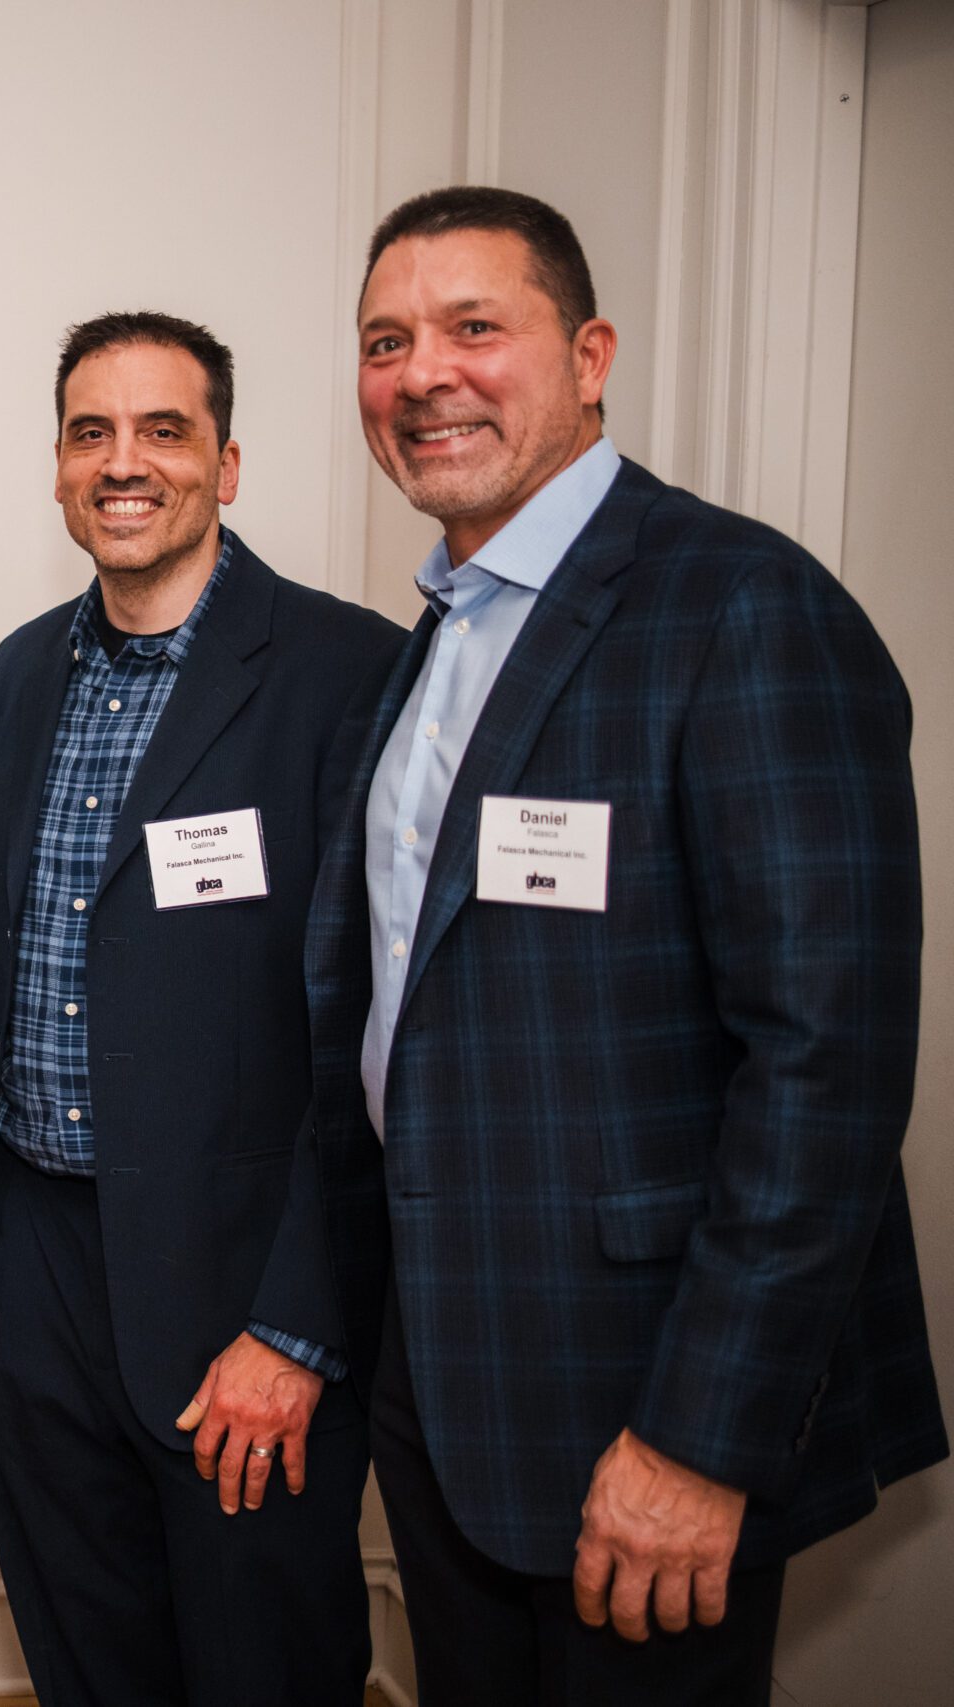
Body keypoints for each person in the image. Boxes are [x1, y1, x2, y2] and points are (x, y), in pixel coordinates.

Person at [308, 184, 948, 1704]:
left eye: (475, 327)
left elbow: (828, 1070)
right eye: (387, 343)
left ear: (590, 357)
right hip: (449, 1380)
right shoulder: (436, 644)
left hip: (643, 1403)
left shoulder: (742, 608)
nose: (424, 374)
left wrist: (701, 1437)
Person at [0, 312, 402, 1705]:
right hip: (37, 1259)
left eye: (164, 430)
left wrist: (299, 1324)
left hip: (238, 1280)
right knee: (86, 1658)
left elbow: (376, 1034)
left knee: (262, 1667)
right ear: (57, 466)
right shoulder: (21, 672)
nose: (123, 463)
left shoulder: (347, 672)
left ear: (227, 461)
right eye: (91, 432)